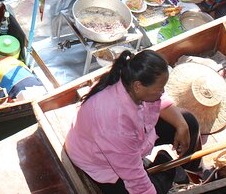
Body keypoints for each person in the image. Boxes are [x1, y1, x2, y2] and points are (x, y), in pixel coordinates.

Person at [65, 50, 201, 194]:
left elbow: (161, 101)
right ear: (138, 86)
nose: (162, 92)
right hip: (100, 162)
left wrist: (182, 125)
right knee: (154, 189)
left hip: (130, 143)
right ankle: (167, 165)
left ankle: (190, 170)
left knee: (190, 122)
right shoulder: (115, 124)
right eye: (159, 88)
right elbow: (134, 178)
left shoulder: (130, 78)